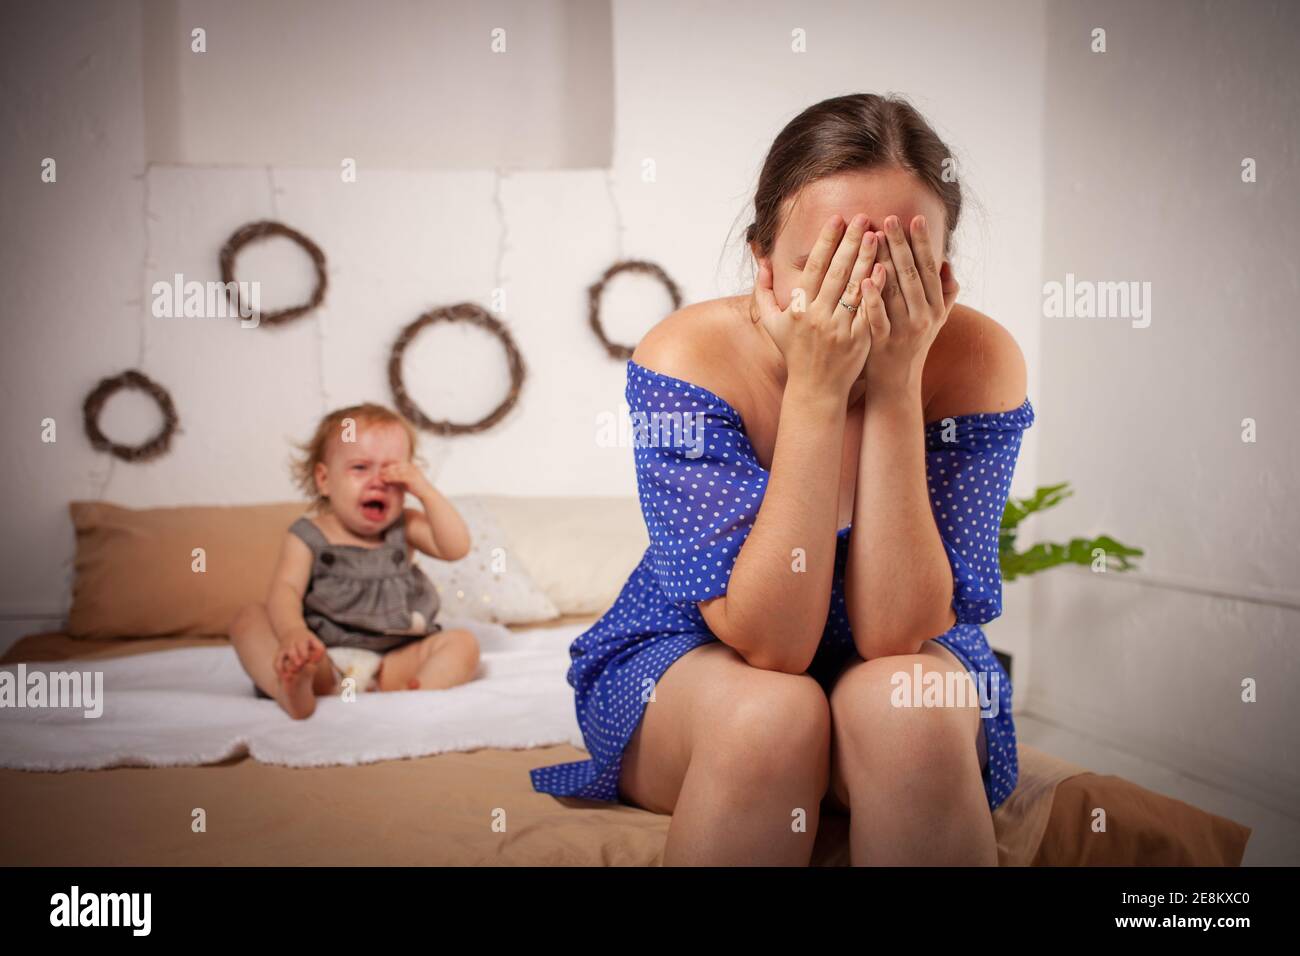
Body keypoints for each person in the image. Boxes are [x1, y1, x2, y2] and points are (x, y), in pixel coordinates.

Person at [530, 93, 1034, 866]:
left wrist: (899, 384)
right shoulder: (689, 357)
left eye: (897, 264)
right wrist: (817, 392)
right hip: (699, 659)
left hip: (900, 657)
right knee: (772, 714)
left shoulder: (976, 360)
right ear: (762, 259)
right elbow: (772, 643)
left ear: (943, 270)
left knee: (912, 709)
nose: (862, 296)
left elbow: (900, 633)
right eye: (825, 262)